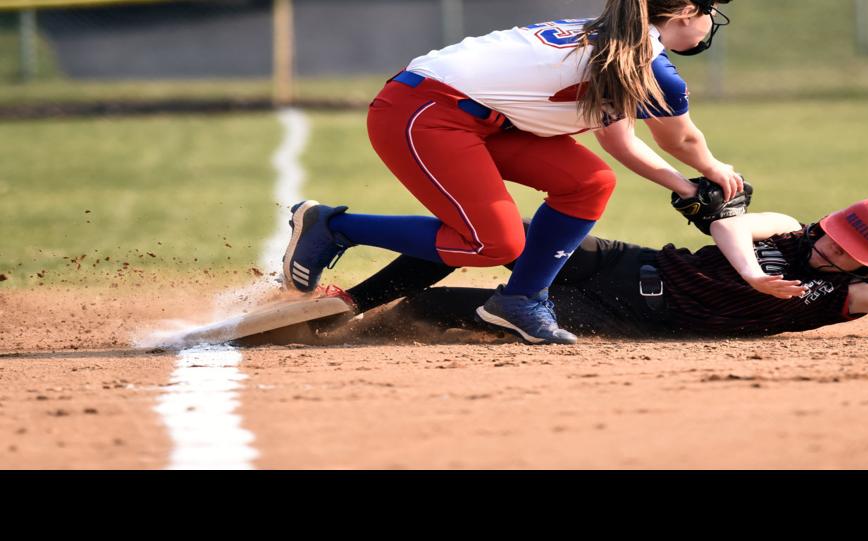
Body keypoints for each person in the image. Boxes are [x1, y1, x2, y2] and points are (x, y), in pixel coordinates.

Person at [281, 0, 741, 345]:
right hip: (424, 112)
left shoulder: (618, 46)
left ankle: (520, 301)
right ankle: (334, 226)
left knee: (589, 181)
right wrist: (714, 170)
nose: (710, 23)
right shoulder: (645, 62)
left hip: (476, 119)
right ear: (684, 11)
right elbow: (680, 139)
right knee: (493, 243)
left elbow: (619, 140)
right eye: (711, 12)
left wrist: (684, 187)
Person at [319, 196, 868, 339]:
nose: (831, 248)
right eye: (839, 231)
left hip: (623, 322)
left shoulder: (842, 302)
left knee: (444, 313)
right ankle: (346, 294)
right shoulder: (783, 234)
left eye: (852, 251)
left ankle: (374, 313)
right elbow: (738, 228)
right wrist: (748, 272)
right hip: (622, 264)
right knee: (497, 243)